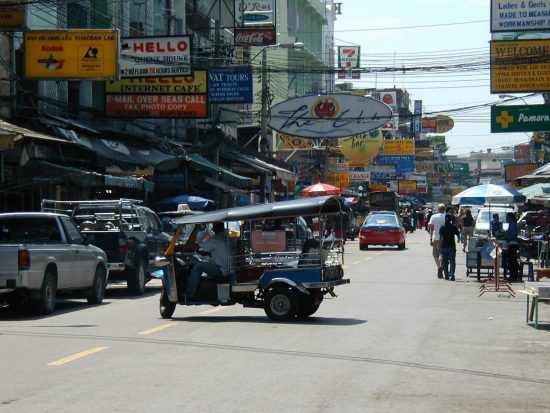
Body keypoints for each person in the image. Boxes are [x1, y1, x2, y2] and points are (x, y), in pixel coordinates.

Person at [185, 221, 236, 297]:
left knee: (198, 266)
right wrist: (206, 254)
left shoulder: (217, 239)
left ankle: (190, 292)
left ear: (214, 229)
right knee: (203, 263)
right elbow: (219, 253)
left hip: (222, 271)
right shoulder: (227, 238)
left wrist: (179, 247)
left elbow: (195, 246)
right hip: (230, 270)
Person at [439, 213, 460, 281]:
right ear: (451, 219)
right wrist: (459, 239)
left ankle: (446, 275)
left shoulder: (442, 227)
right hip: (451, 246)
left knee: (445, 262)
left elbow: (441, 238)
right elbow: (458, 234)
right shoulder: (453, 227)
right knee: (452, 261)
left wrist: (440, 246)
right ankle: (451, 275)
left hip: (444, 247)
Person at [429, 204, 447, 279]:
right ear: (444, 209)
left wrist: (430, 238)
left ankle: (439, 267)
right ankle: (441, 266)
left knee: (435, 254)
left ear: (438, 209)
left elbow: (431, 228)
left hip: (436, 238)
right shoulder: (446, 216)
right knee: (442, 254)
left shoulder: (433, 217)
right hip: (445, 239)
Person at [503, 212, 519, 282]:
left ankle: (514, 276)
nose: (506, 219)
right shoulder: (510, 225)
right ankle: (512, 275)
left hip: (513, 244)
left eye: (507, 217)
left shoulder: (513, 225)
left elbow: (513, 235)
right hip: (510, 244)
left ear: (510, 218)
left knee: (512, 261)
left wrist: (506, 237)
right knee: (510, 261)